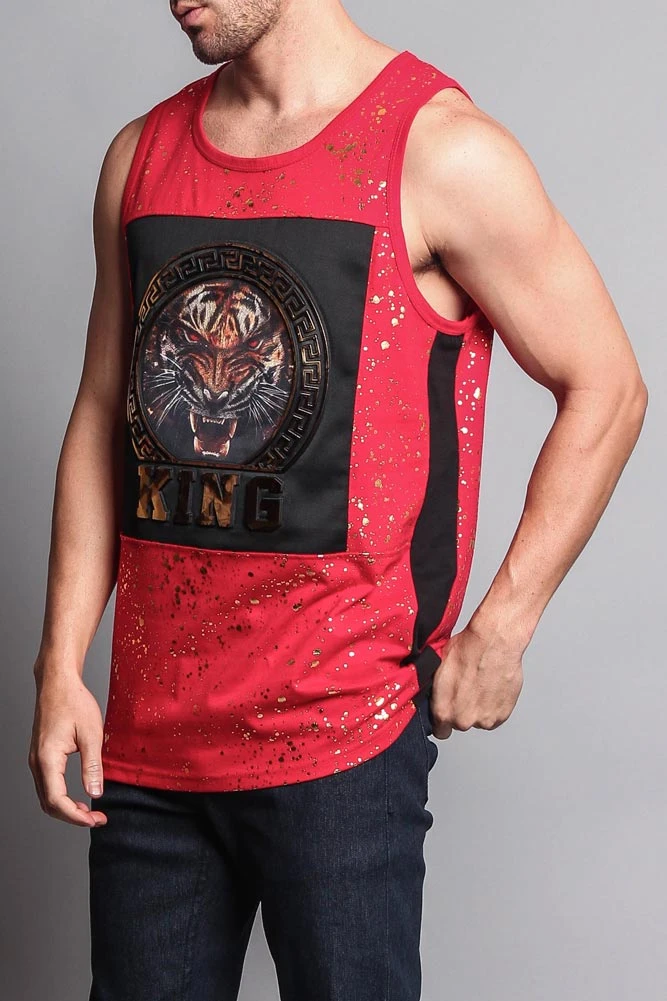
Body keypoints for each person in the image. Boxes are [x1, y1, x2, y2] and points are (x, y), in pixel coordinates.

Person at [28, 1, 648, 999]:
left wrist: (503, 627)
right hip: (147, 759)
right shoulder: (140, 159)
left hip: (343, 744)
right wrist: (59, 663)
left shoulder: (440, 151)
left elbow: (608, 386)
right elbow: (106, 410)